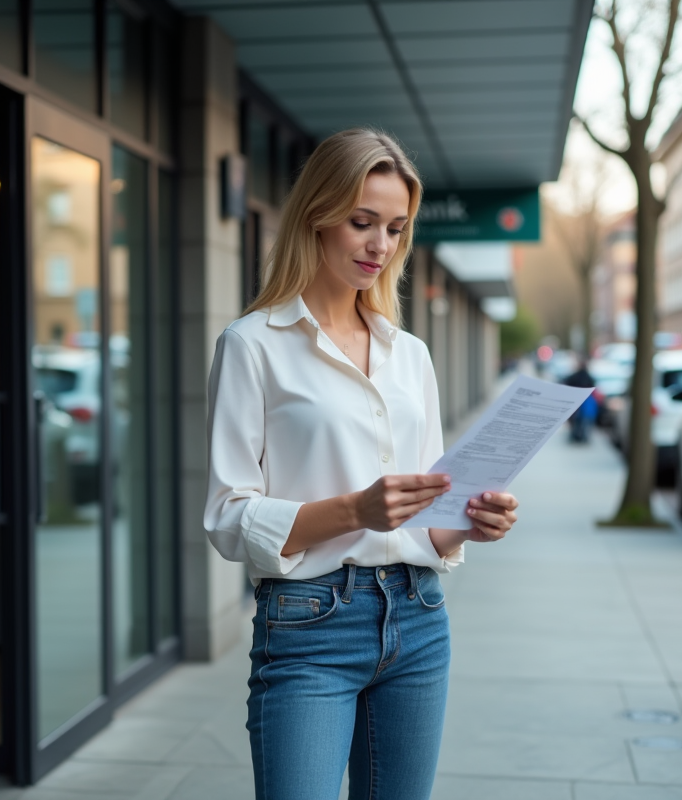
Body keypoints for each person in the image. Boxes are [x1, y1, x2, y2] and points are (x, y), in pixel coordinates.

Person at [204, 129, 520, 800]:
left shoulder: (411, 354)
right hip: (308, 624)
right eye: (362, 222)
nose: (381, 245)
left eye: (397, 228)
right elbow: (228, 518)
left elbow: (431, 517)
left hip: (419, 615)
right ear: (317, 215)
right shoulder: (253, 345)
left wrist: (471, 521)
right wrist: (354, 510)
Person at [562, 356, 595, 443]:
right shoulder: (588, 377)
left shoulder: (574, 376)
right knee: (584, 420)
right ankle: (582, 437)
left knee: (575, 421)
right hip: (584, 403)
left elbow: (567, 383)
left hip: (576, 402)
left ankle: (575, 436)